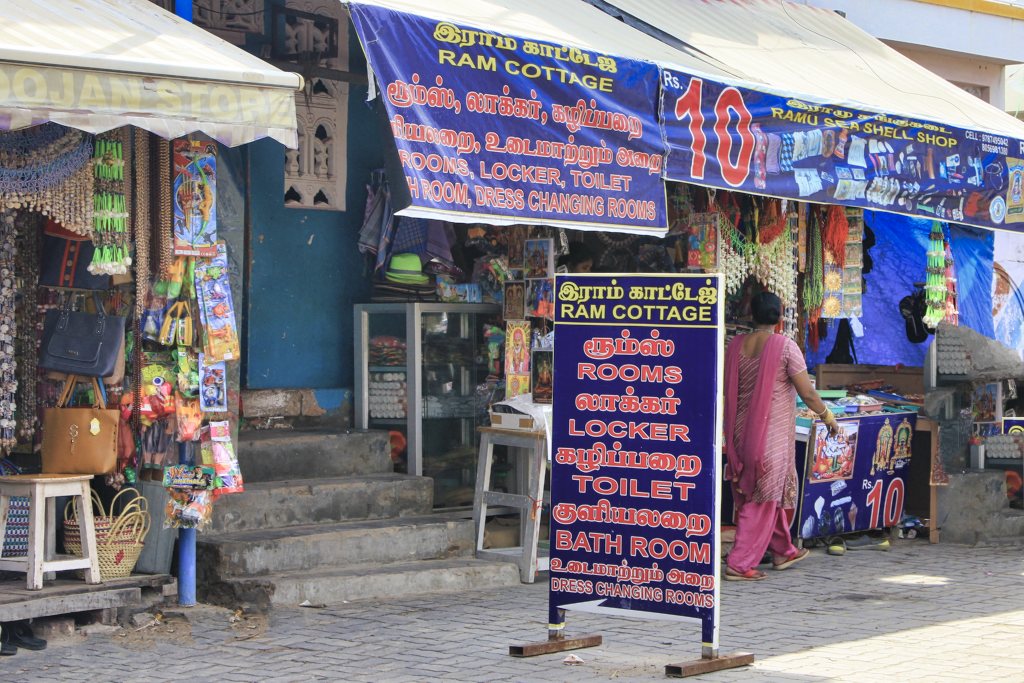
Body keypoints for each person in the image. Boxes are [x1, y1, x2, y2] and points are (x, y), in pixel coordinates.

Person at [723, 291, 840, 581]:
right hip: (769, 435)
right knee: (762, 497)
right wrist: (828, 416)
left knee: (764, 492)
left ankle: (783, 551)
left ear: (752, 314)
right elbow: (808, 393)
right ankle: (739, 563)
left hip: (740, 431)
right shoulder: (785, 347)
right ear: (780, 315)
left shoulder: (735, 344)